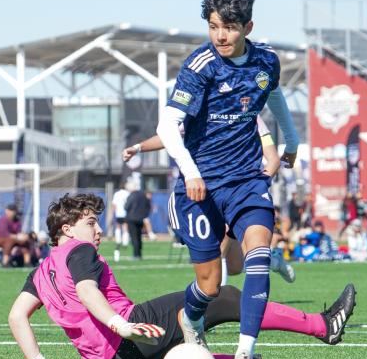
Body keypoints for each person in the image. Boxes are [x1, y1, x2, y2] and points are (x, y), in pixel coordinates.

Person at [155, 0, 333, 359]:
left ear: (247, 28)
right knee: (210, 285)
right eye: (215, 26)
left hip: (246, 180)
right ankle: (191, 316)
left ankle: (244, 354)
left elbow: (274, 98)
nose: (221, 35)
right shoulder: (200, 67)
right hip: (198, 186)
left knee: (256, 252)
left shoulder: (266, 62)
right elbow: (168, 126)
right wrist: (190, 171)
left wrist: (292, 139)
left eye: (230, 28)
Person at [7, 193, 356, 359]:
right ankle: (322, 325)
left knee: (182, 338)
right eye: (90, 223)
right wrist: (122, 325)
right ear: (66, 230)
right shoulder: (79, 249)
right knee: (221, 295)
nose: (98, 231)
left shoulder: (40, 272)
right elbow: (87, 291)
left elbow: (16, 316)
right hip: (130, 337)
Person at [122, 114, 294, 284]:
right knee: (234, 266)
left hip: (239, 197)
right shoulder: (207, 112)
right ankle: (271, 260)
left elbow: (273, 160)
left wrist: (255, 187)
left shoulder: (251, 115)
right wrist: (138, 147)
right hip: (208, 197)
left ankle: (215, 305)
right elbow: (169, 136)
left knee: (221, 248)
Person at [0, 203, 32, 267]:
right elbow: (4, 233)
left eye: (14, 211)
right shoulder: (3, 220)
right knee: (9, 241)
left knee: (25, 242)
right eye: (11, 210)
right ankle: (5, 263)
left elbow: (19, 232)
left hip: (13, 239)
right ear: (6, 211)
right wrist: (17, 237)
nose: (12, 212)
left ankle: (27, 263)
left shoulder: (17, 221)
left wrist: (23, 236)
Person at [124, 184, 151, 260]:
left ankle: (136, 255)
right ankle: (139, 254)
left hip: (131, 219)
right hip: (140, 218)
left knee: (134, 237)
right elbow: (148, 205)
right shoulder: (143, 195)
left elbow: (126, 207)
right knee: (139, 237)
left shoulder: (131, 195)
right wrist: (145, 214)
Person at [111, 183, 130, 262]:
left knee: (118, 226)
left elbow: (114, 204)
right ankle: (125, 242)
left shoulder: (116, 194)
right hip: (125, 213)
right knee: (125, 227)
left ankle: (118, 240)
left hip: (118, 213)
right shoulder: (127, 193)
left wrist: (112, 213)